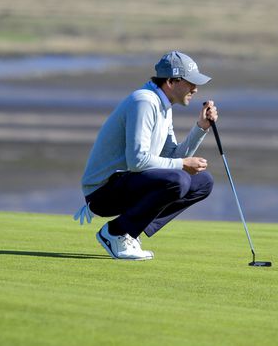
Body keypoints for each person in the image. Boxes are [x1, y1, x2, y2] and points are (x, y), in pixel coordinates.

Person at [74, 50, 218, 260]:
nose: (195, 89)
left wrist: (200, 128)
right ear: (170, 81)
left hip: (128, 182)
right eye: (190, 83)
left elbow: (171, 154)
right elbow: (137, 160)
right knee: (178, 179)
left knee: (202, 181)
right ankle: (116, 233)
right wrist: (181, 164)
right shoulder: (144, 102)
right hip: (102, 192)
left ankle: (130, 231)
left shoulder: (164, 106)